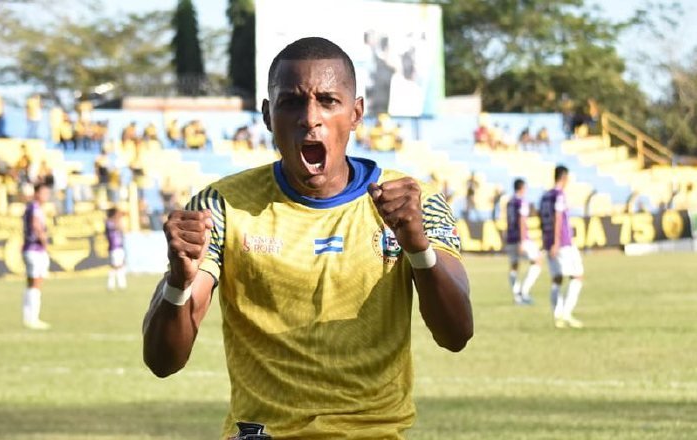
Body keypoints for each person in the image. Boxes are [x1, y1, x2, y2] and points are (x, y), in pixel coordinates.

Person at [142, 37, 473, 439]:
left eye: (328, 101)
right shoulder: (221, 206)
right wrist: (177, 283)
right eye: (292, 102)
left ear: (356, 114)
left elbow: (456, 334)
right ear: (267, 115)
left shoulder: (414, 202)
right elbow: (163, 361)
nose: (310, 117)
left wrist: (418, 248)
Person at [540, 165, 584, 328]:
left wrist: (546, 241)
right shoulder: (559, 194)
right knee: (577, 276)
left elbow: (541, 218)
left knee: (557, 279)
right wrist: (557, 242)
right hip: (563, 242)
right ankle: (566, 313)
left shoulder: (545, 196)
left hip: (549, 241)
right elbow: (558, 217)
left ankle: (557, 315)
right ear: (564, 178)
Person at [506, 179, 541, 305]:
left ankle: (517, 296)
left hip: (510, 238)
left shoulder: (509, 202)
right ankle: (523, 292)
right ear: (521, 188)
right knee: (537, 261)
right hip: (521, 239)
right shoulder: (521, 201)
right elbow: (521, 220)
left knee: (514, 266)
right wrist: (521, 240)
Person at [22, 182, 52, 330]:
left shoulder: (33, 207)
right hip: (35, 249)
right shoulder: (34, 207)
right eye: (44, 193)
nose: (47, 196)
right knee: (36, 282)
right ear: (37, 193)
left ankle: (29, 317)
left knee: (31, 283)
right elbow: (35, 224)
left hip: (30, 248)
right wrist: (43, 239)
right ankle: (33, 318)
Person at [105, 207, 127, 291]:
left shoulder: (114, 222)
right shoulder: (109, 222)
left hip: (119, 247)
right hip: (114, 247)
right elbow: (117, 227)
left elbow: (122, 229)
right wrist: (118, 219)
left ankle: (118, 284)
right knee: (116, 266)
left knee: (119, 266)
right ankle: (114, 285)